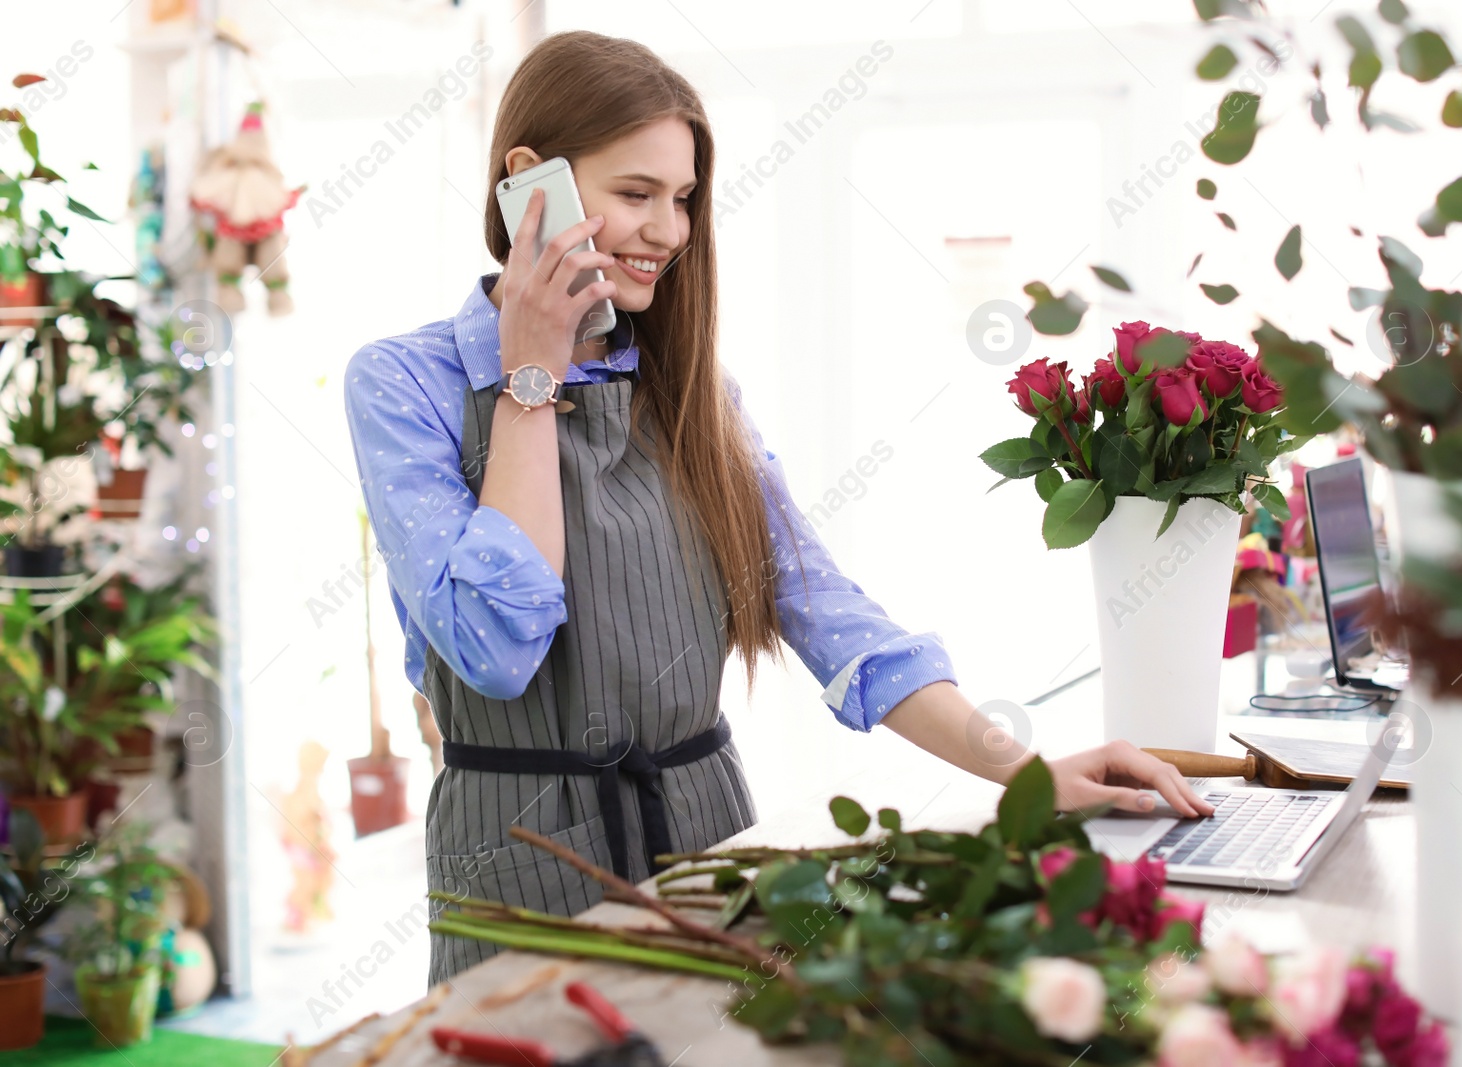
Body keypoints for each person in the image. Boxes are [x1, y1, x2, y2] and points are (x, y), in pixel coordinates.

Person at [344, 29, 1213, 986]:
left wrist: (1026, 769)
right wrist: (532, 376)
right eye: (637, 194)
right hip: (513, 868)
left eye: (682, 200)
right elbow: (496, 648)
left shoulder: (693, 394)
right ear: (530, 181)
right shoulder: (403, 384)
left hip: (706, 843)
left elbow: (834, 619)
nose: (670, 232)